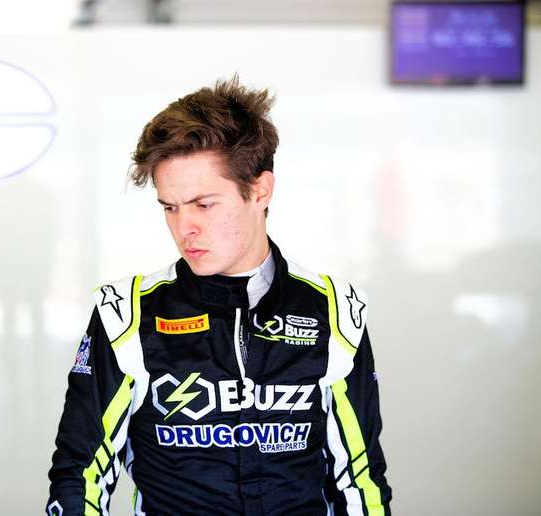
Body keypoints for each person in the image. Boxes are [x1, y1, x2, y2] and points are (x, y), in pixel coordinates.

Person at [46, 77, 392, 515]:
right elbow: (79, 475)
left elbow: (361, 480)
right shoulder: (125, 315)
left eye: (204, 204)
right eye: (170, 207)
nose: (183, 227)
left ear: (260, 191)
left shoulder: (336, 310)